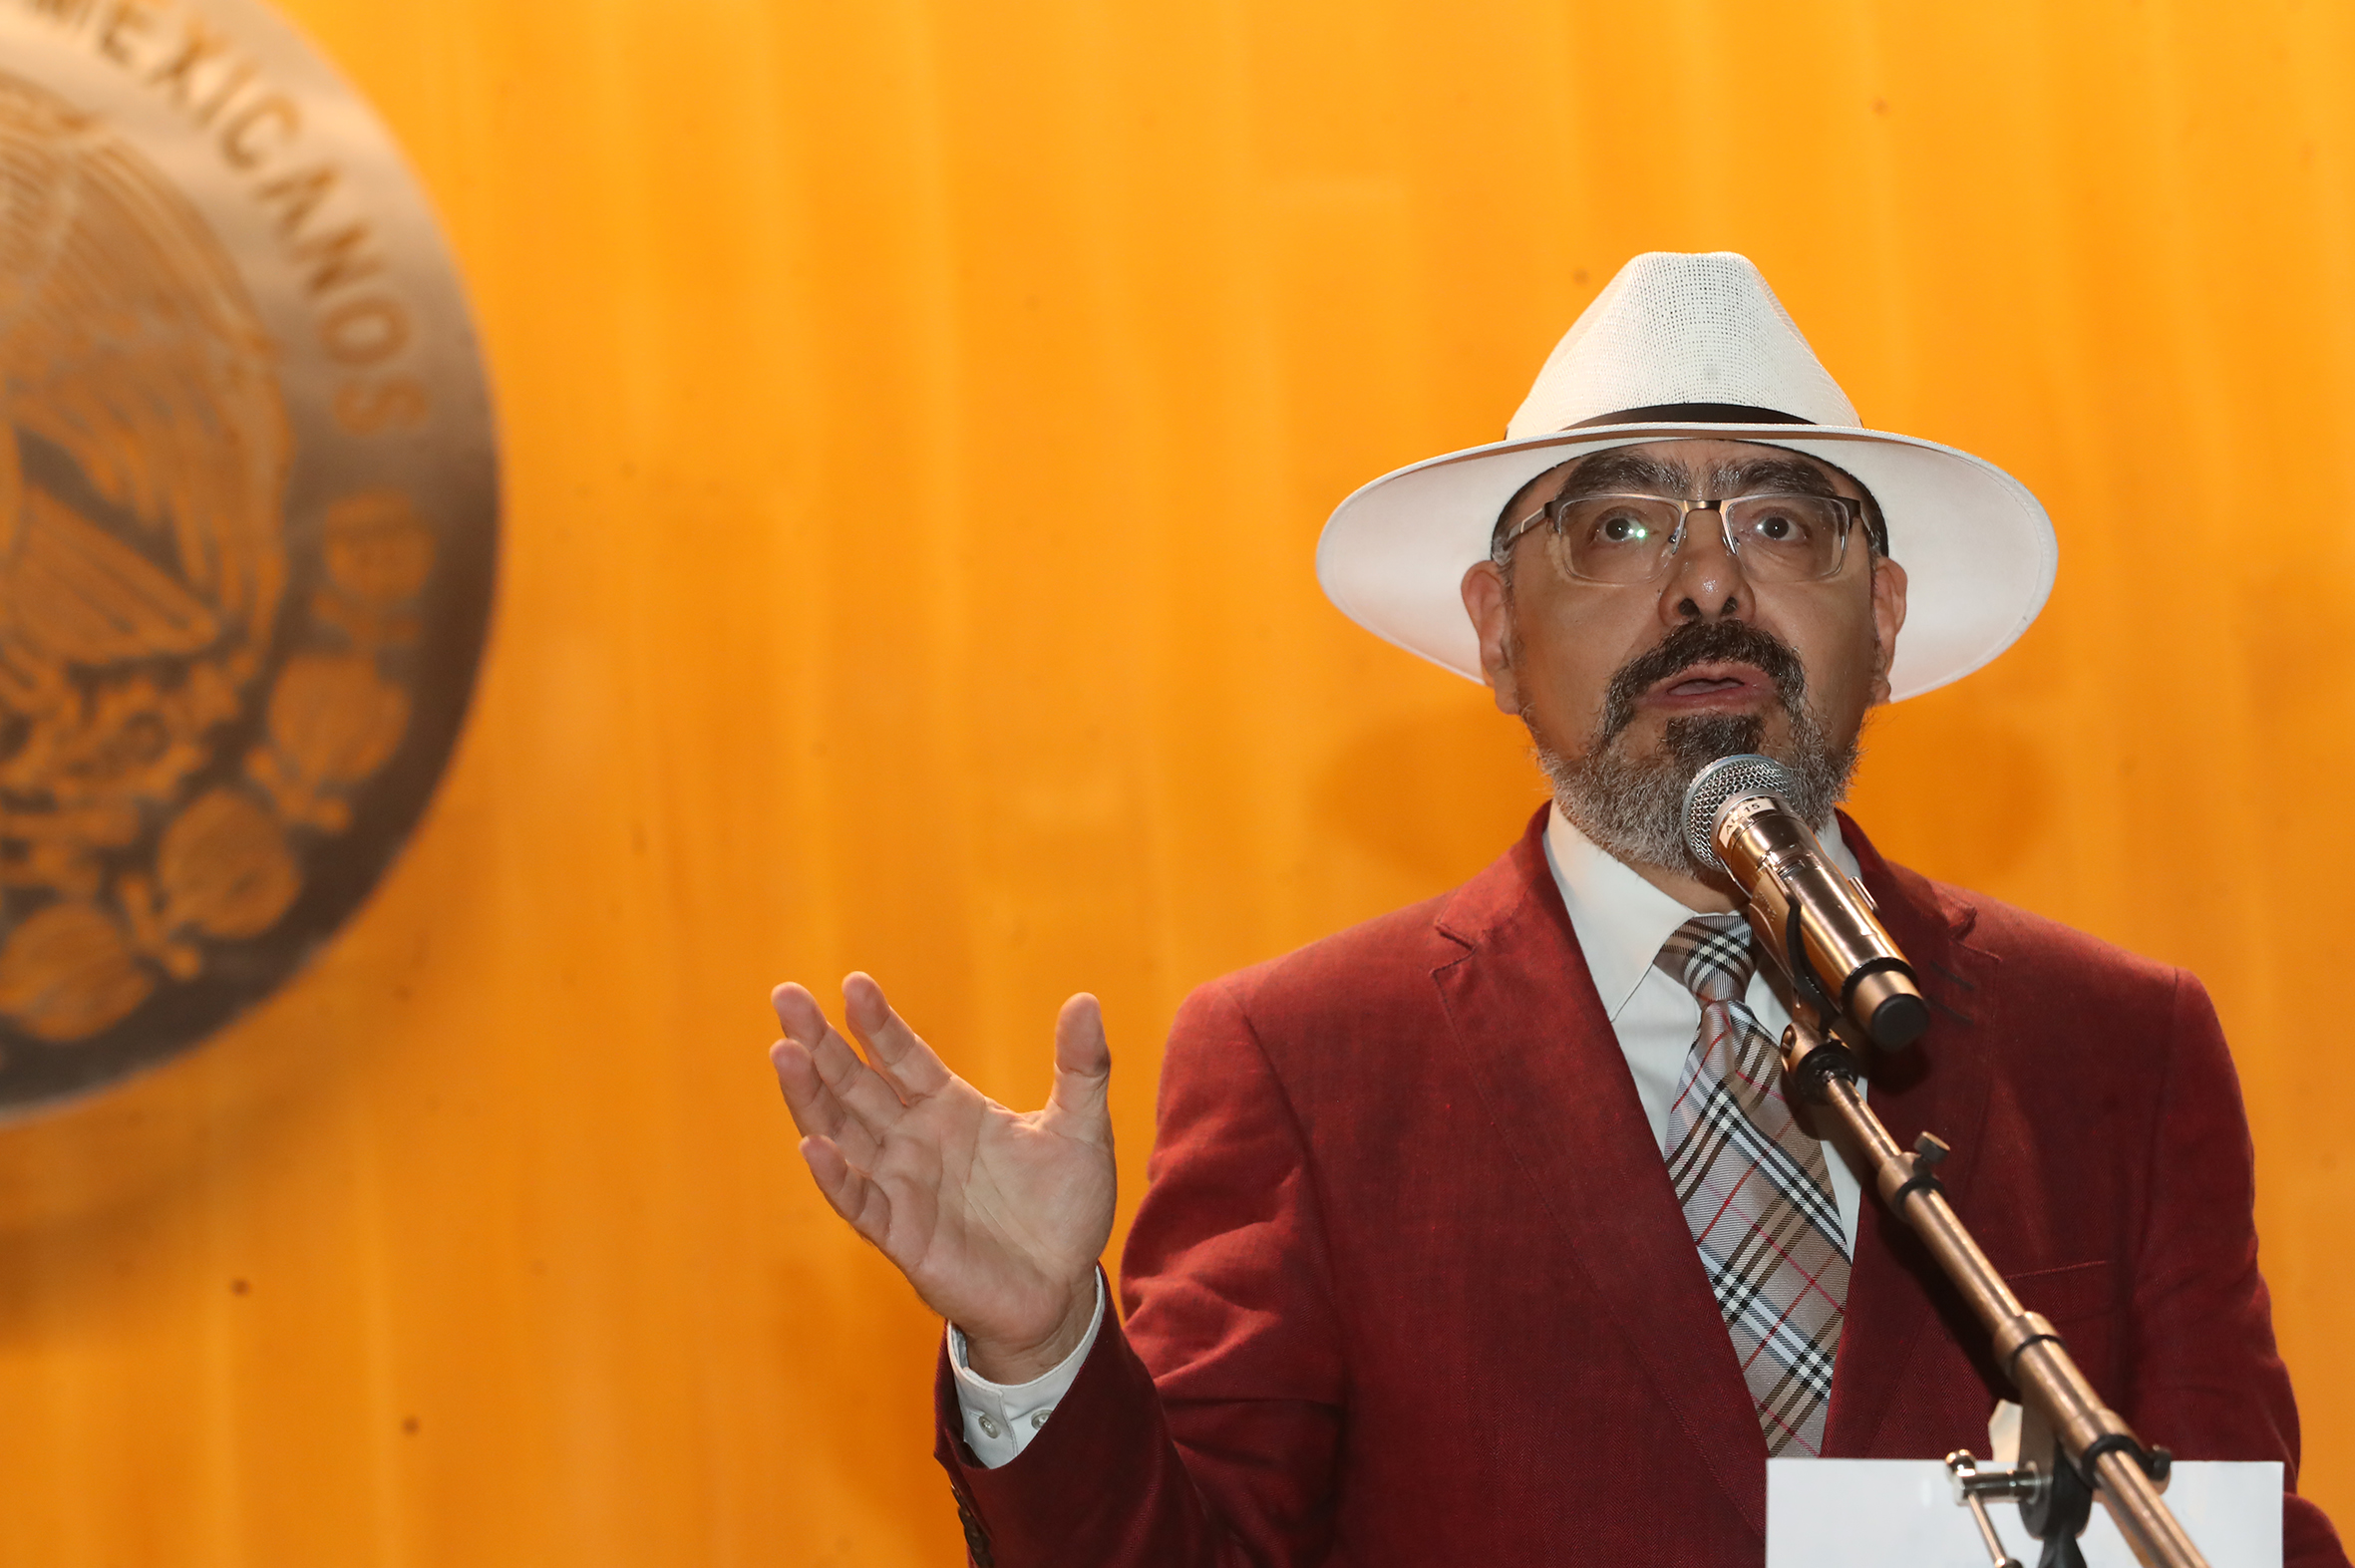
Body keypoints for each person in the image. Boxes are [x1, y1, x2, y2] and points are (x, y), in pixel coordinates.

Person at [768, 252, 2348, 1567]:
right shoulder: (1309, 1063)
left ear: (1880, 617)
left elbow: (2224, 1525)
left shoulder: (2116, 1047)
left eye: (1778, 523)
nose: (1707, 589)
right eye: (1618, 527)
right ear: (1494, 631)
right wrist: (1042, 1346)